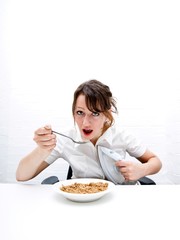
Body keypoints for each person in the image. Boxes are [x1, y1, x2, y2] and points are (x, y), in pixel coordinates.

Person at [16, 79, 162, 184]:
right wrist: (41, 150)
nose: (85, 123)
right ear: (73, 112)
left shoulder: (122, 136)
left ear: (107, 114)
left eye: (95, 113)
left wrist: (142, 170)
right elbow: (21, 176)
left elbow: (156, 162)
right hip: (83, 201)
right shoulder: (65, 139)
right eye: (80, 112)